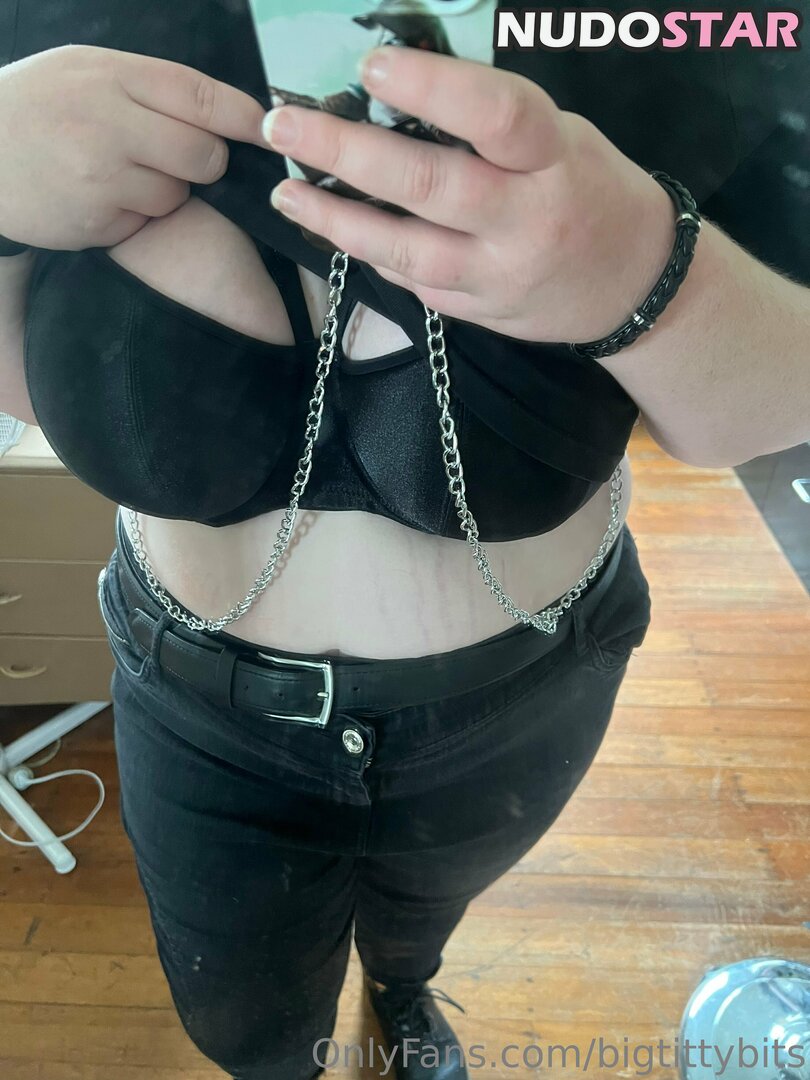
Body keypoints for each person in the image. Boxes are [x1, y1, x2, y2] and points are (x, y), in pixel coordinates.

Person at [0, 4, 807, 1079]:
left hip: (519, 701)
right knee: (245, 1031)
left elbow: (761, 409)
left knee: (420, 931)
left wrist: (647, 274)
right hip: (198, 710)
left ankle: (401, 992)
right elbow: (31, 382)